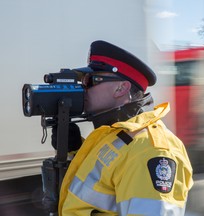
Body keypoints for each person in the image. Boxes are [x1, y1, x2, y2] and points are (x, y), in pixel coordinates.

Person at [57, 40, 193, 215]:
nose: (83, 88)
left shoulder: (151, 150)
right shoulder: (116, 134)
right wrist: (74, 149)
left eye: (90, 81)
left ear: (121, 88)